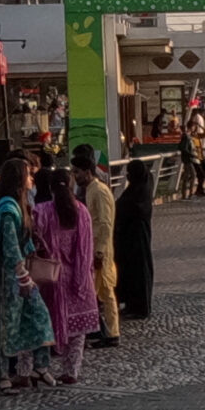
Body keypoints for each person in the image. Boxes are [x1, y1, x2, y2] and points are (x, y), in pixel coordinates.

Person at [0, 159, 54, 394]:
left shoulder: (17, 207)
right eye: (28, 175)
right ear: (19, 180)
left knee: (39, 316)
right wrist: (23, 277)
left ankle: (39, 366)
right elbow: (10, 246)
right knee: (4, 328)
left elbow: (23, 241)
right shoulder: (7, 210)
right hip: (6, 281)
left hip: (19, 277)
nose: (32, 179)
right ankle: (2, 378)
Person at [31, 168, 98, 384]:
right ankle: (72, 371)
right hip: (77, 278)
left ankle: (39, 368)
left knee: (45, 324)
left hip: (50, 277)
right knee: (77, 332)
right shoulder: (81, 212)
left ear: (50, 187)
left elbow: (32, 241)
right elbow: (85, 249)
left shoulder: (41, 211)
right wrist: (84, 277)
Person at [73, 148, 123, 347]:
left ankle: (99, 332)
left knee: (95, 292)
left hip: (99, 250)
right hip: (95, 248)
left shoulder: (99, 191)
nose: (75, 177)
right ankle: (109, 332)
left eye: (77, 172)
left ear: (87, 171)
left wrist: (99, 251)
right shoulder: (93, 190)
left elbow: (104, 223)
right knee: (104, 293)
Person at [115, 159, 157, 322]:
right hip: (130, 238)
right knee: (130, 272)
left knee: (139, 272)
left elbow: (131, 209)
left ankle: (140, 307)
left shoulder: (139, 193)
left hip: (137, 238)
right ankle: (132, 304)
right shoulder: (139, 189)